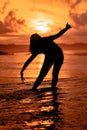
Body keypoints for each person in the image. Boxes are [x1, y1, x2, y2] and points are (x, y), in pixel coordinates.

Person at [20, 23, 71, 90]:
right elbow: (30, 60)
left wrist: (66, 28)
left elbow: (58, 35)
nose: (37, 37)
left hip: (58, 55)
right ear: (34, 42)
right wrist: (22, 70)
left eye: (38, 36)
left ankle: (53, 89)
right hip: (49, 56)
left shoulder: (46, 39)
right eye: (36, 38)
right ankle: (33, 89)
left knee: (55, 73)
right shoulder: (37, 48)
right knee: (42, 74)